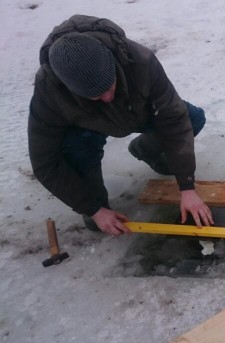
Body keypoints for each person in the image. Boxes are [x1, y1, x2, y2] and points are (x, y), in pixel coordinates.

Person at [28, 15, 214, 235]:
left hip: (136, 111)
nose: (107, 98)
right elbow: (44, 162)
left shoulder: (140, 61)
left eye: (110, 86)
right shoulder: (49, 91)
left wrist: (186, 186)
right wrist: (94, 209)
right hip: (86, 127)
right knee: (76, 154)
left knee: (192, 118)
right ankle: (97, 205)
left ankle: (144, 149)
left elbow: (173, 118)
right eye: (96, 96)